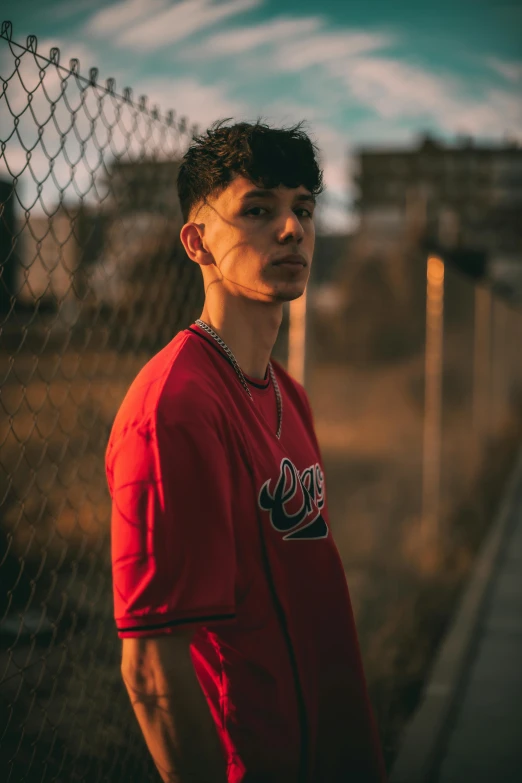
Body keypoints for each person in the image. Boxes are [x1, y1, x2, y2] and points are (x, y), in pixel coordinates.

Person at [106, 119, 387, 783]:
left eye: (304, 209)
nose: (292, 230)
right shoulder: (176, 409)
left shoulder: (288, 391)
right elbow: (151, 665)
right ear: (197, 241)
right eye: (258, 210)